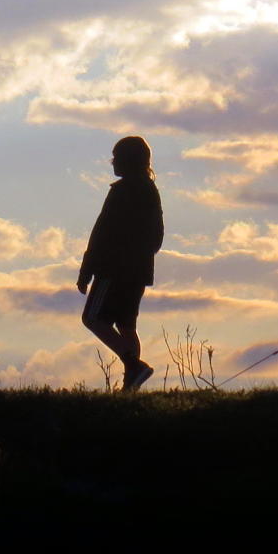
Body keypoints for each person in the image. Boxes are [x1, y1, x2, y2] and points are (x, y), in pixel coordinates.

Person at [77, 136, 164, 392]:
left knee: (93, 318)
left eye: (117, 157)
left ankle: (133, 366)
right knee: (127, 325)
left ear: (127, 161)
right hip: (138, 272)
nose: (113, 162)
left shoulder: (122, 191)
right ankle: (131, 385)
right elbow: (157, 237)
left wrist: (87, 271)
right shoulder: (150, 191)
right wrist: (141, 259)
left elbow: (101, 233)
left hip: (112, 270)